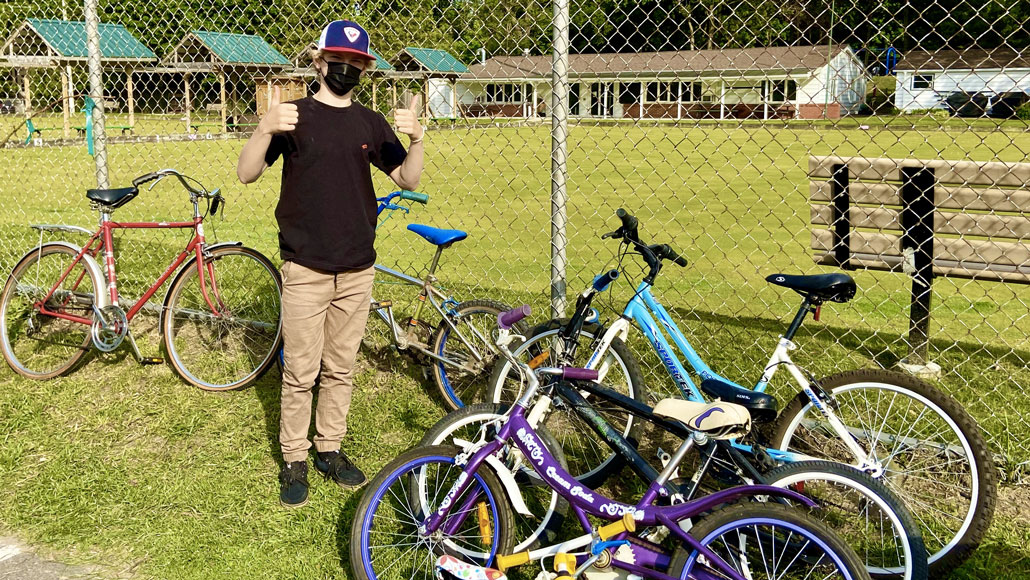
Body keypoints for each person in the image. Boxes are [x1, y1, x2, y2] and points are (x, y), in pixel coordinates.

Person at [236, 20, 424, 508]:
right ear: (319, 61)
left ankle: (329, 449)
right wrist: (263, 128)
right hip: (306, 267)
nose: (348, 69)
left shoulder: (369, 122)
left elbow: (405, 177)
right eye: (339, 60)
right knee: (300, 370)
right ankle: (294, 457)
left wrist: (419, 139)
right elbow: (247, 173)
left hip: (358, 267)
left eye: (357, 63)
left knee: (340, 367)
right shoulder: (293, 117)